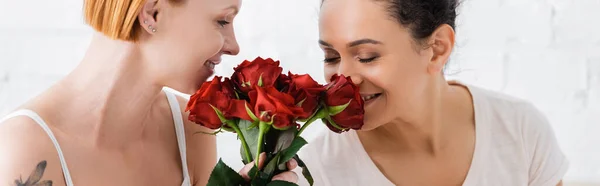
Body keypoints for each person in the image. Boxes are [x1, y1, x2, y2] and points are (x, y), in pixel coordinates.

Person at [0, 0, 297, 185]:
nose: (233, 46)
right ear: (152, 13)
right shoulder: (25, 150)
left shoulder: (188, 127)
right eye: (222, 20)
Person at [296, 0, 569, 185]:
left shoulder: (520, 132)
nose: (342, 79)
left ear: (437, 48)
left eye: (367, 56)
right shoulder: (315, 170)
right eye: (331, 57)